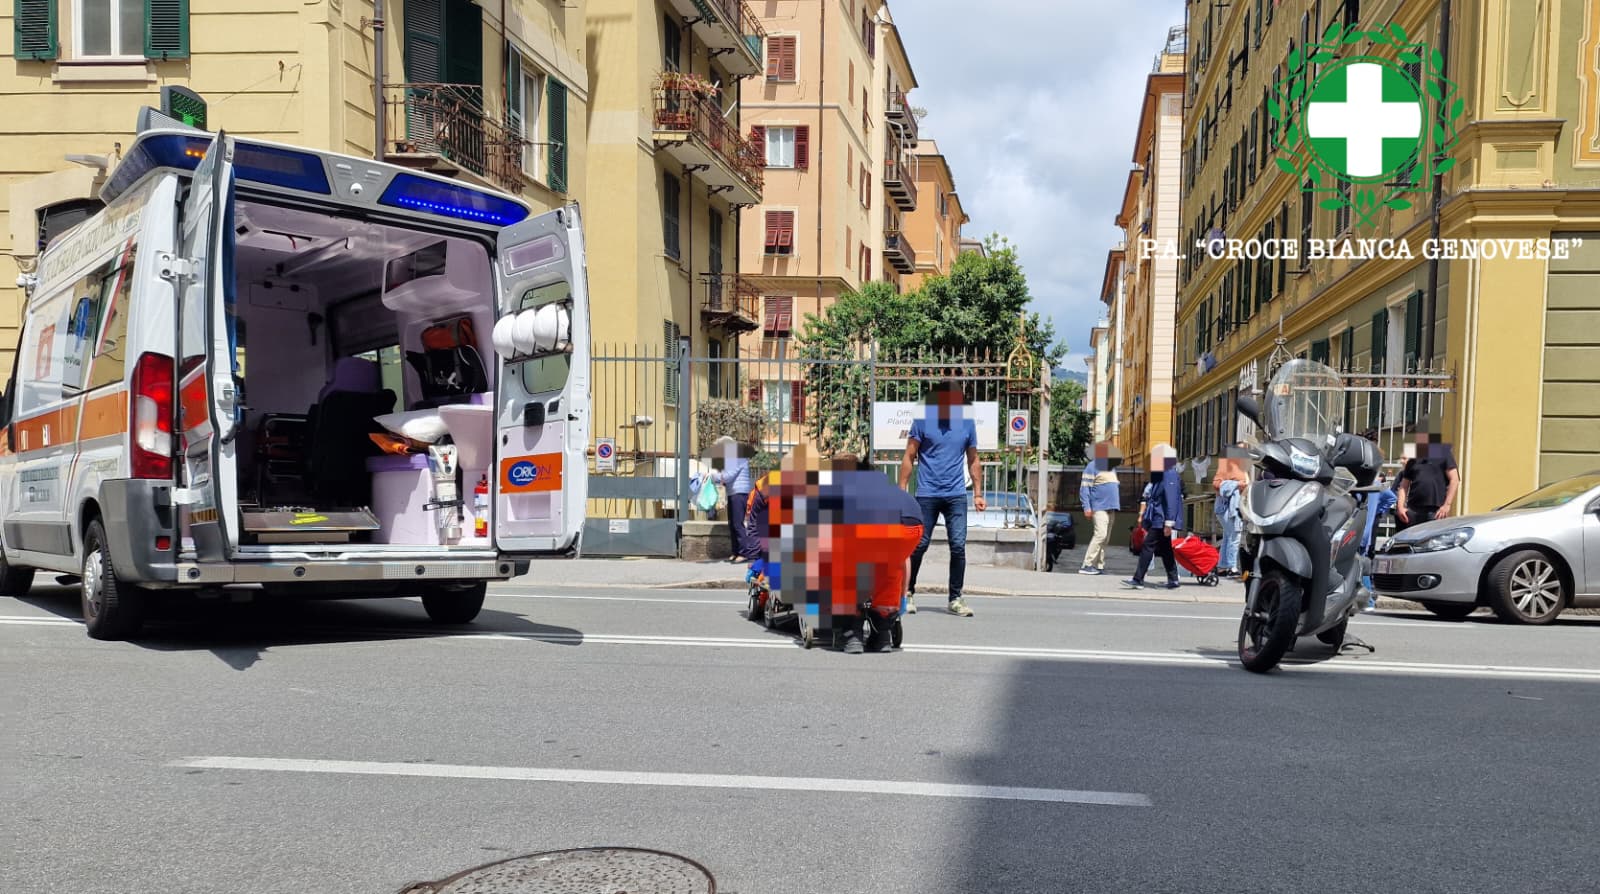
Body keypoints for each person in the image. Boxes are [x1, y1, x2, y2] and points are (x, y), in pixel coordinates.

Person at [821, 455, 924, 653]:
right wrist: (902, 596)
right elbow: (903, 561)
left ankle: (852, 634)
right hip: (913, 525)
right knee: (888, 568)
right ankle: (882, 634)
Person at [899, 380, 983, 617]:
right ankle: (908, 592)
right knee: (919, 545)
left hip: (956, 494)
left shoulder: (967, 424)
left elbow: (973, 459)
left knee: (958, 547)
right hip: (927, 494)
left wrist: (977, 493)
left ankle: (955, 598)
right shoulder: (923, 422)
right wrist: (901, 488)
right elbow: (910, 455)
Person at [1122, 447, 1183, 590]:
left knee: (1148, 545)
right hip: (1159, 517)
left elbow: (1171, 499)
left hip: (1161, 518)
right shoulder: (1164, 474)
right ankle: (1173, 579)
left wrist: (1169, 522)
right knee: (1165, 549)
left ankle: (1138, 578)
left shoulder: (1169, 474)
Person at [1395, 431, 1459, 531]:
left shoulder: (1444, 454)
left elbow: (1454, 479)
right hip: (1413, 510)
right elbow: (1404, 485)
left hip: (1436, 511)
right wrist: (1400, 506)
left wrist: (1447, 505)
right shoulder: (1412, 459)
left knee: (1433, 543)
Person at [1077, 444, 1122, 575]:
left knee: (1105, 538)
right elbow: (1085, 488)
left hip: (1111, 508)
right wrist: (1087, 507)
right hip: (1099, 507)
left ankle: (1099, 565)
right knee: (1100, 535)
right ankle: (1087, 564)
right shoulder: (1092, 466)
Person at [709, 436, 753, 563]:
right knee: (732, 523)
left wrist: (713, 477)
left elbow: (728, 476)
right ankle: (736, 551)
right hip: (734, 493)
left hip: (739, 494)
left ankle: (743, 553)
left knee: (737, 524)